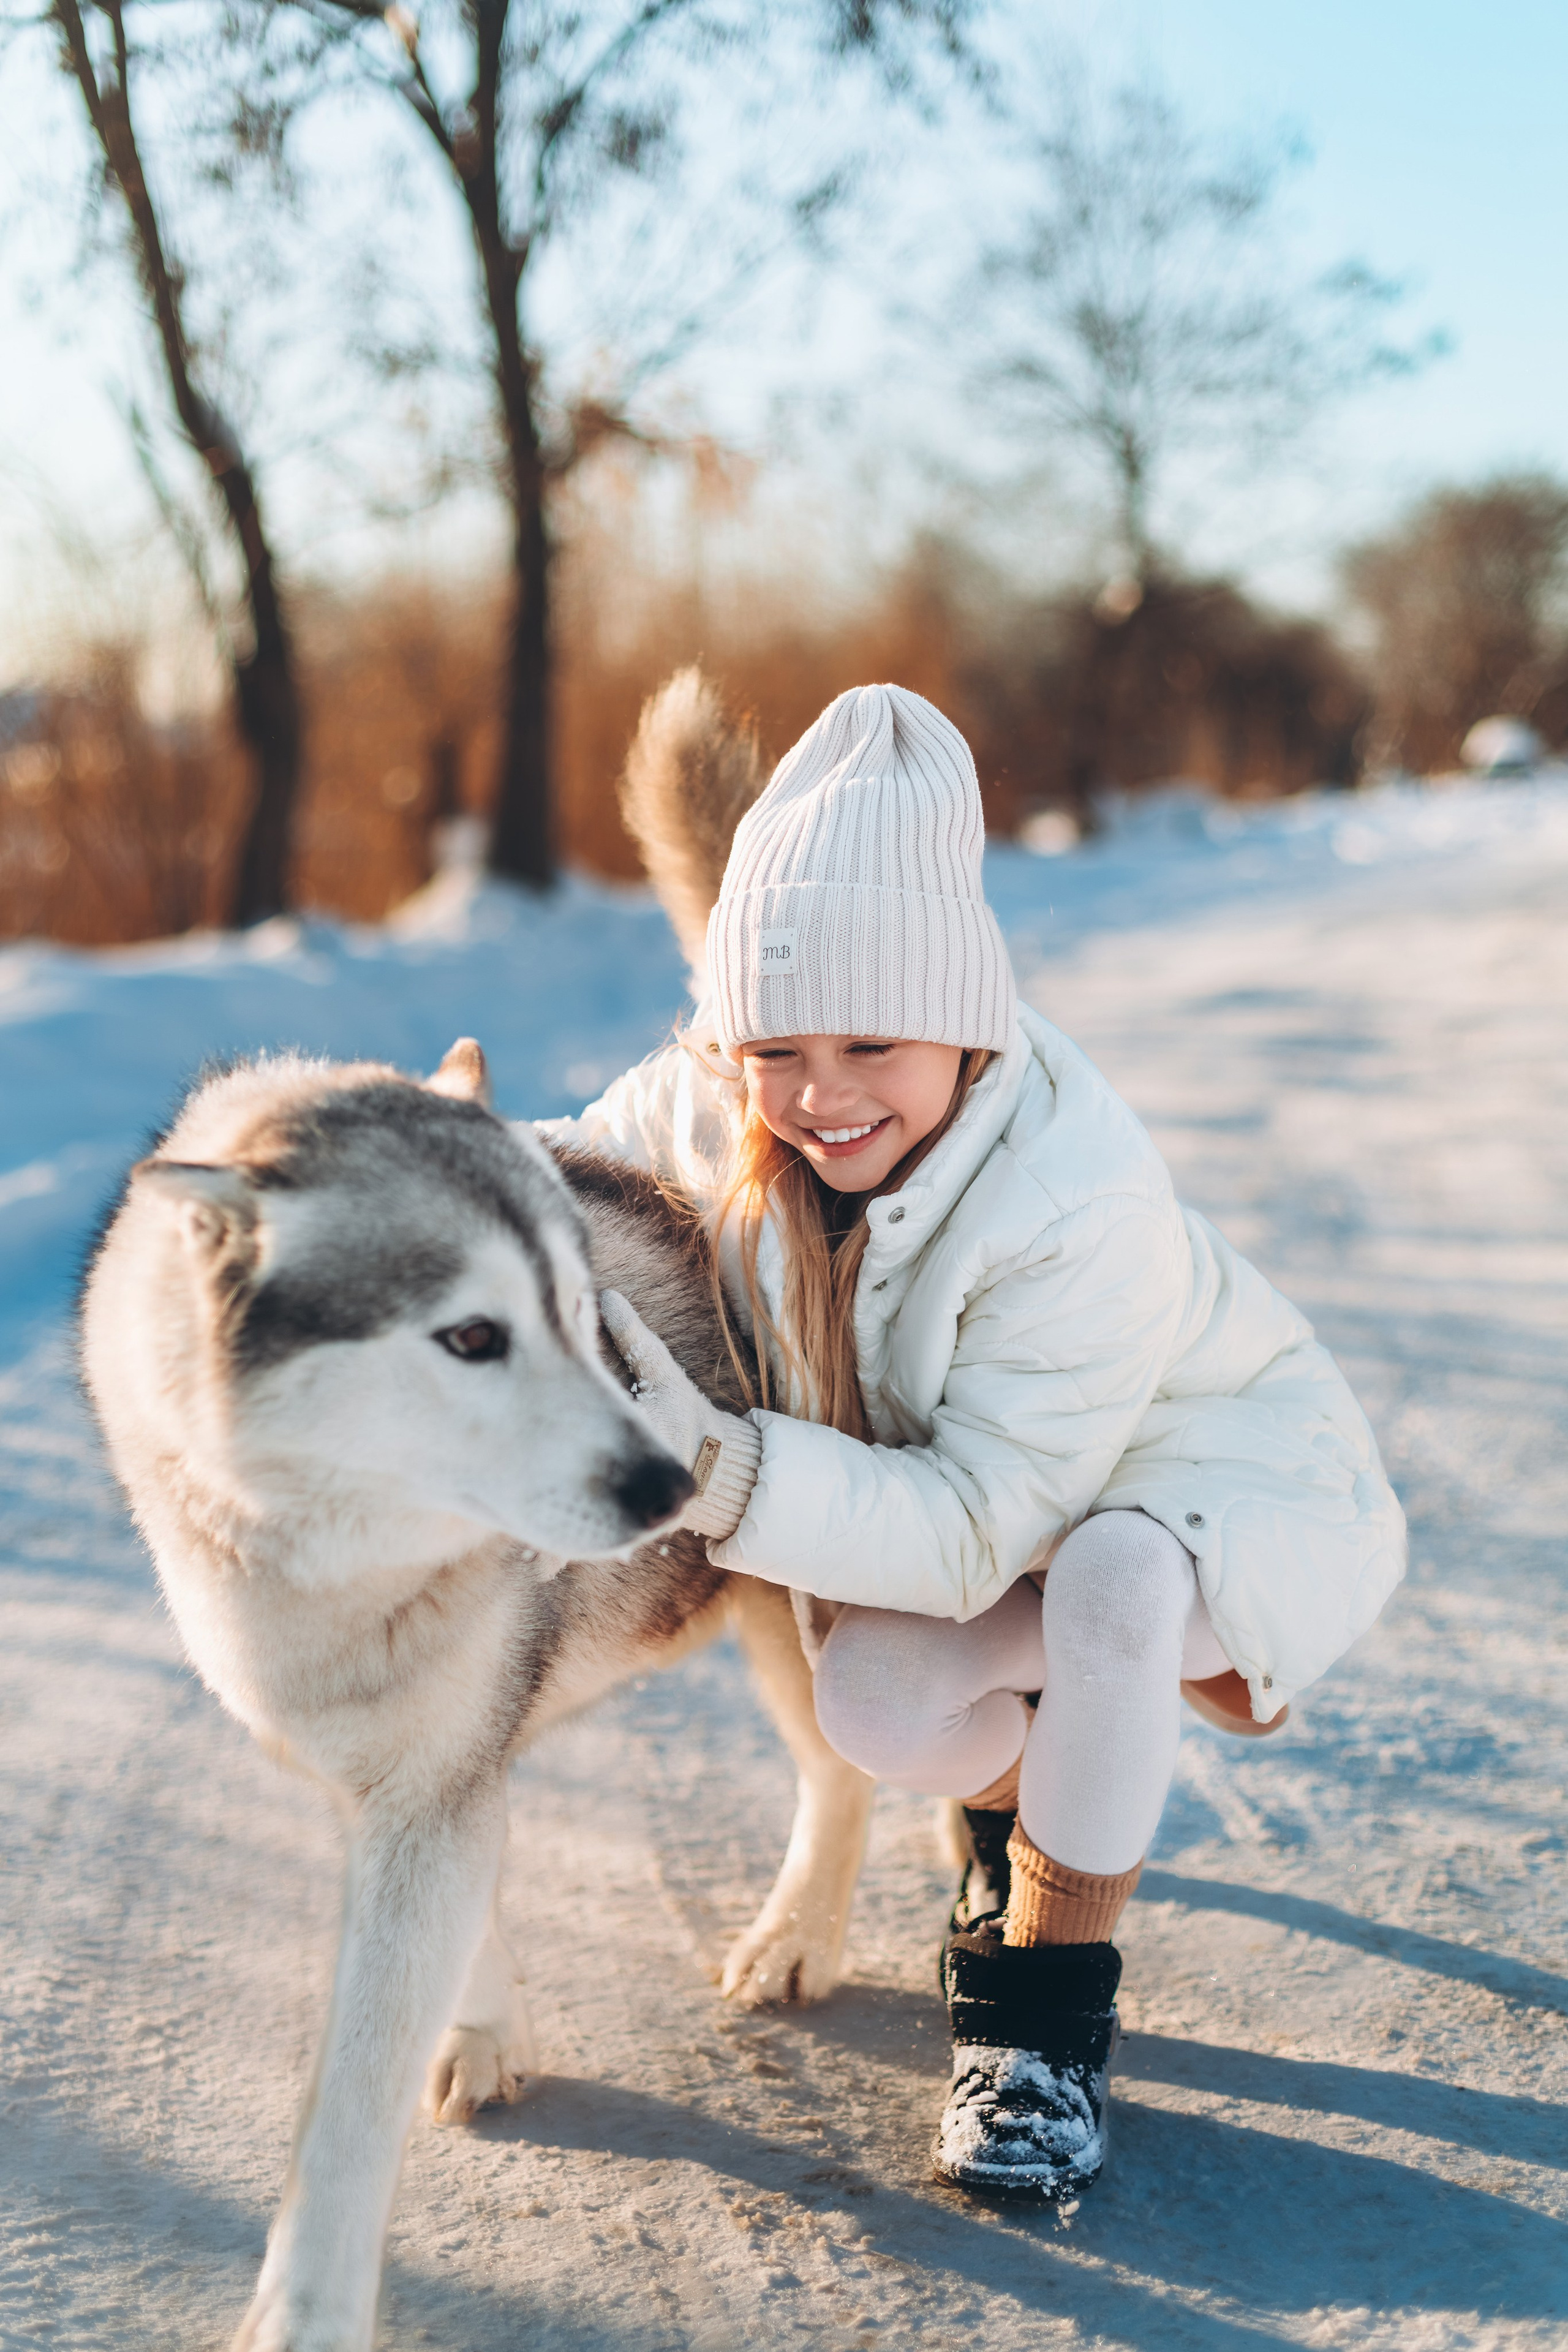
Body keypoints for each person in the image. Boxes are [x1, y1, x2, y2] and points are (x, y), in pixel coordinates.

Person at [541, 682, 1406, 2203]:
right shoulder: (726, 1108)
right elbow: (562, 1172)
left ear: (961, 1021)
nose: (821, 1094)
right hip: (1008, 1507)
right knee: (872, 1699)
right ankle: (1021, 1806)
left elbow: (970, 1522)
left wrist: (727, 1475)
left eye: (873, 1039)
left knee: (1117, 1591)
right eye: (774, 1045)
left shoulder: (1073, 1194)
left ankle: (1037, 2033)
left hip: (1212, 1469)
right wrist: (411, 1166)